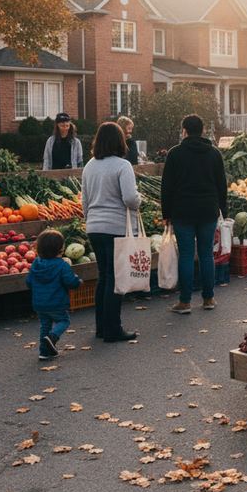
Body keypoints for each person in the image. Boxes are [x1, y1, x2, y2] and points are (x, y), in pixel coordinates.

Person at [161, 114, 227, 314]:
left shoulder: (175, 154)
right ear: (203, 130)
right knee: (207, 254)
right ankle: (208, 298)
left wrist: (166, 213)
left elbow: (167, 187)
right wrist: (224, 210)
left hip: (182, 211)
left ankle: (185, 302)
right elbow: (221, 185)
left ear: (184, 131)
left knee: (187, 255)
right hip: (208, 210)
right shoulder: (214, 154)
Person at [81, 122, 141, 342]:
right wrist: (139, 199)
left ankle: (101, 327)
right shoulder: (123, 166)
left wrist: (90, 221)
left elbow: (84, 200)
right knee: (115, 279)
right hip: (116, 227)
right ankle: (113, 329)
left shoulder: (89, 166)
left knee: (103, 277)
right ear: (119, 141)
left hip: (95, 227)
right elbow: (130, 199)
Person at [26, 229, 81, 360]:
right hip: (56, 302)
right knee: (63, 321)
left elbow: (29, 282)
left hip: (39, 303)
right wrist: (77, 281)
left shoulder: (35, 264)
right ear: (60, 249)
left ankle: (44, 352)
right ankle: (52, 337)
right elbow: (70, 282)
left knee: (45, 325)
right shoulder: (62, 265)